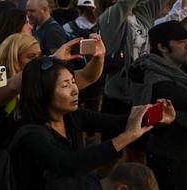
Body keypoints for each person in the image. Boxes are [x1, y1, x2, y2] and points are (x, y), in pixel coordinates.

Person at [11, 56, 176, 190]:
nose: (75, 90)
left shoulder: (71, 116)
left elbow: (115, 123)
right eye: (65, 85)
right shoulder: (31, 135)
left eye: (73, 82)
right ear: (43, 92)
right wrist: (126, 137)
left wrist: (155, 117)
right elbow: (67, 165)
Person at [100, 0, 183, 145]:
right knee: (114, 150)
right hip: (118, 95)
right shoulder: (110, 19)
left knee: (140, 150)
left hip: (142, 93)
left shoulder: (142, 15)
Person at [126, 21, 187, 190]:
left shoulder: (182, 70)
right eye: (180, 42)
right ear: (163, 47)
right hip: (172, 160)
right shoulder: (157, 81)